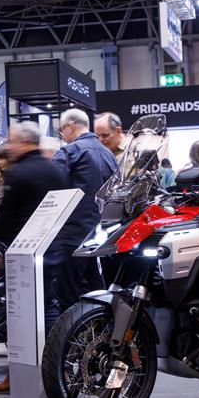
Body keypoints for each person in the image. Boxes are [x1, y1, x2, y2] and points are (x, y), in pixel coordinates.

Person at [0, 121, 67, 394]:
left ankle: (21, 374)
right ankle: (55, 369)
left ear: (24, 143)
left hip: (22, 254)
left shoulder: (19, 172)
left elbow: (7, 217)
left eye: (11, 141)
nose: (9, 147)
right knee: (48, 311)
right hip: (52, 250)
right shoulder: (55, 169)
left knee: (19, 314)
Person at [52, 109, 117, 313]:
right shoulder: (109, 155)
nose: (63, 135)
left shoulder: (70, 152)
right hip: (101, 235)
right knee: (98, 292)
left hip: (70, 234)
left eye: (62, 130)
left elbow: (53, 190)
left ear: (70, 125)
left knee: (67, 295)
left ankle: (68, 342)